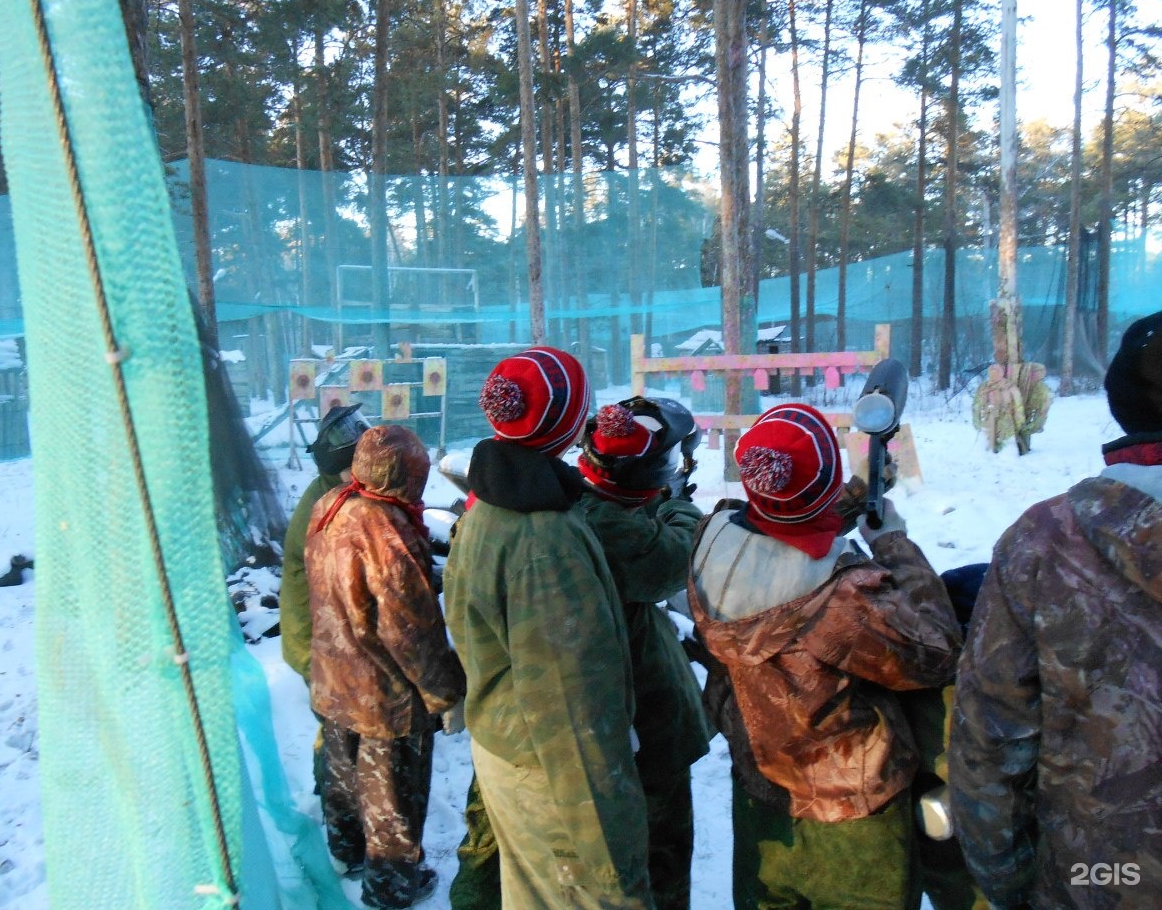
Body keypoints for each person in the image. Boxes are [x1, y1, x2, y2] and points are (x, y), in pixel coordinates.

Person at [688, 402, 962, 910]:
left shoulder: (712, 536)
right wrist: (894, 543)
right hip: (853, 815)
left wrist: (854, 497)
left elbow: (776, 531)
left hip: (762, 793)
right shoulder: (840, 599)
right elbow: (936, 652)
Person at [449, 396, 713, 910]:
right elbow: (676, 558)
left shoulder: (527, 495)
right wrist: (677, 503)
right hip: (615, 739)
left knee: (495, 853)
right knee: (653, 860)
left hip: (514, 729)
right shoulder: (591, 528)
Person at [949, 310, 1162, 910]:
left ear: (1121, 405)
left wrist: (1008, 882)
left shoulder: (1041, 542)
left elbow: (991, 740)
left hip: (1099, 881)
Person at [305, 424, 465, 909]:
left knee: (343, 778)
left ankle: (346, 852)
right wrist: (447, 694)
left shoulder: (330, 504)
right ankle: (391, 886)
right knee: (392, 797)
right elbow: (410, 630)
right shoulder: (387, 529)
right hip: (385, 698)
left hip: (334, 678)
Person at [279, 402, 370, 793]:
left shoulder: (341, 492)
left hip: (327, 643)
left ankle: (344, 811)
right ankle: (342, 821)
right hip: (319, 645)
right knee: (340, 735)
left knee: (349, 734)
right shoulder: (331, 501)